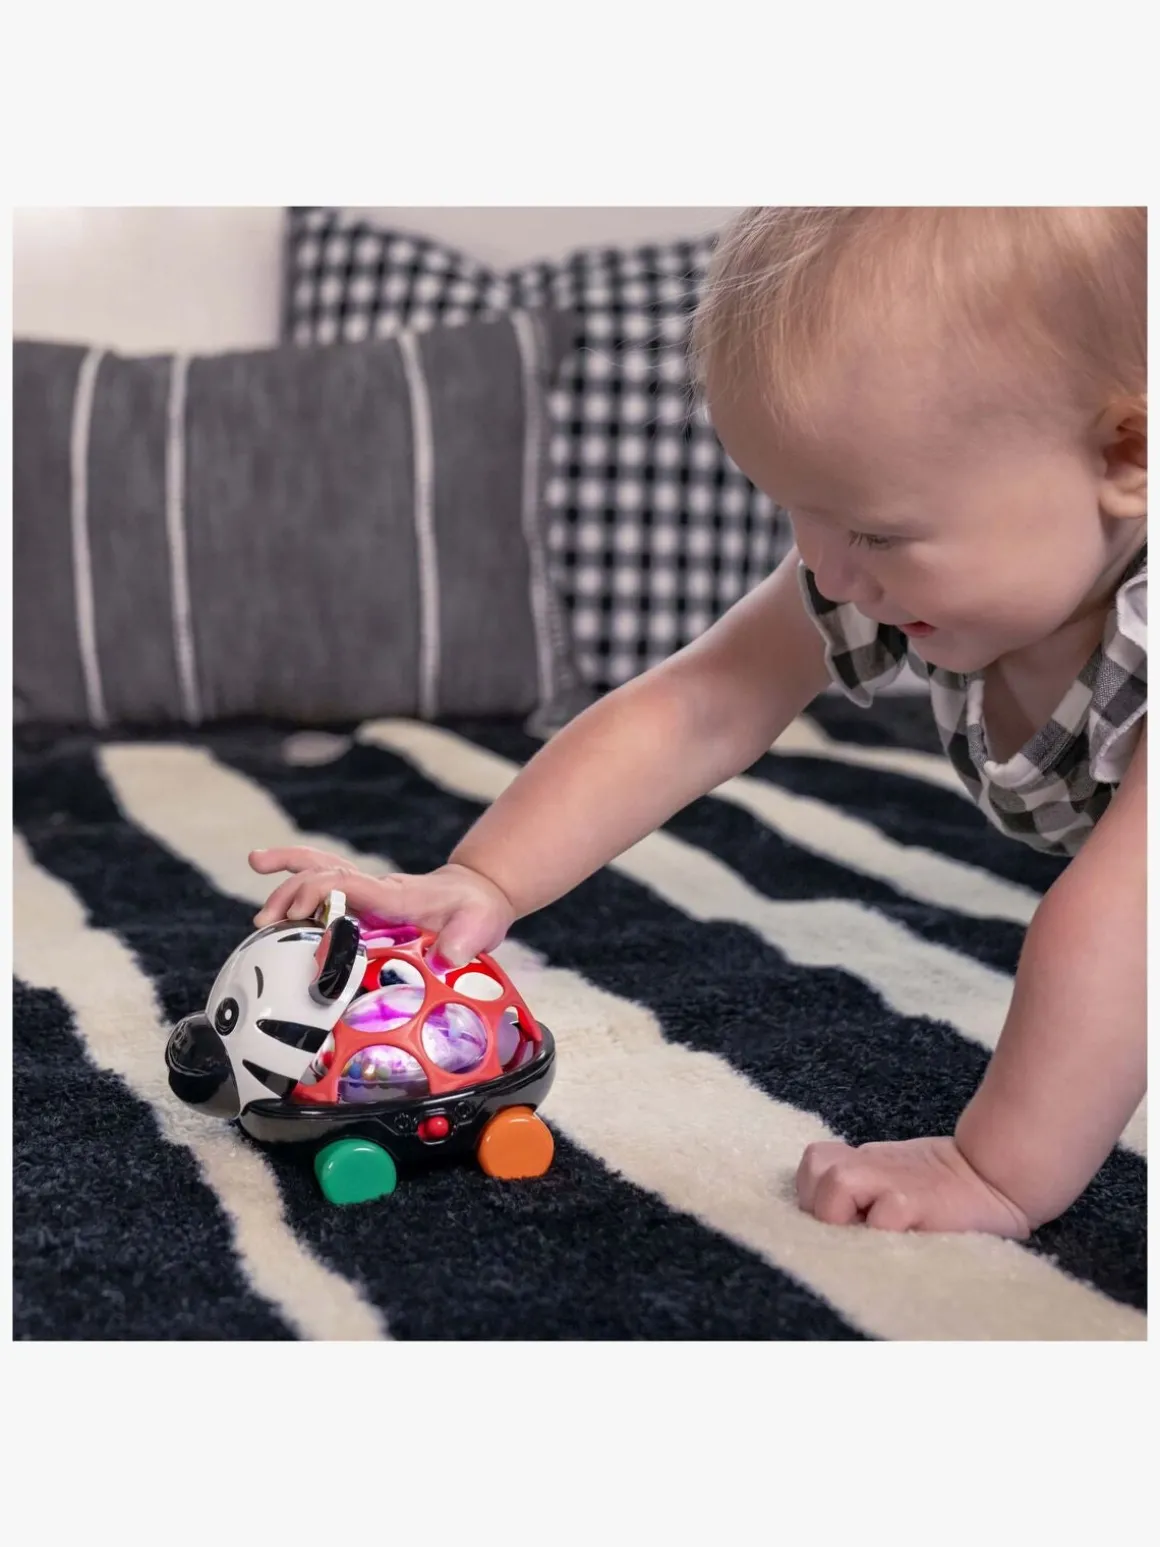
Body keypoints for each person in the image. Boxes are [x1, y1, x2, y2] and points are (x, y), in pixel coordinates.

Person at [251, 207, 1147, 1239]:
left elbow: (1126, 919)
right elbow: (697, 705)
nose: (825, 569)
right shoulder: (864, 569)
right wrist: (482, 880)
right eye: (796, 511)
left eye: (873, 529)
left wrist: (991, 1169)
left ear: (1125, 453)